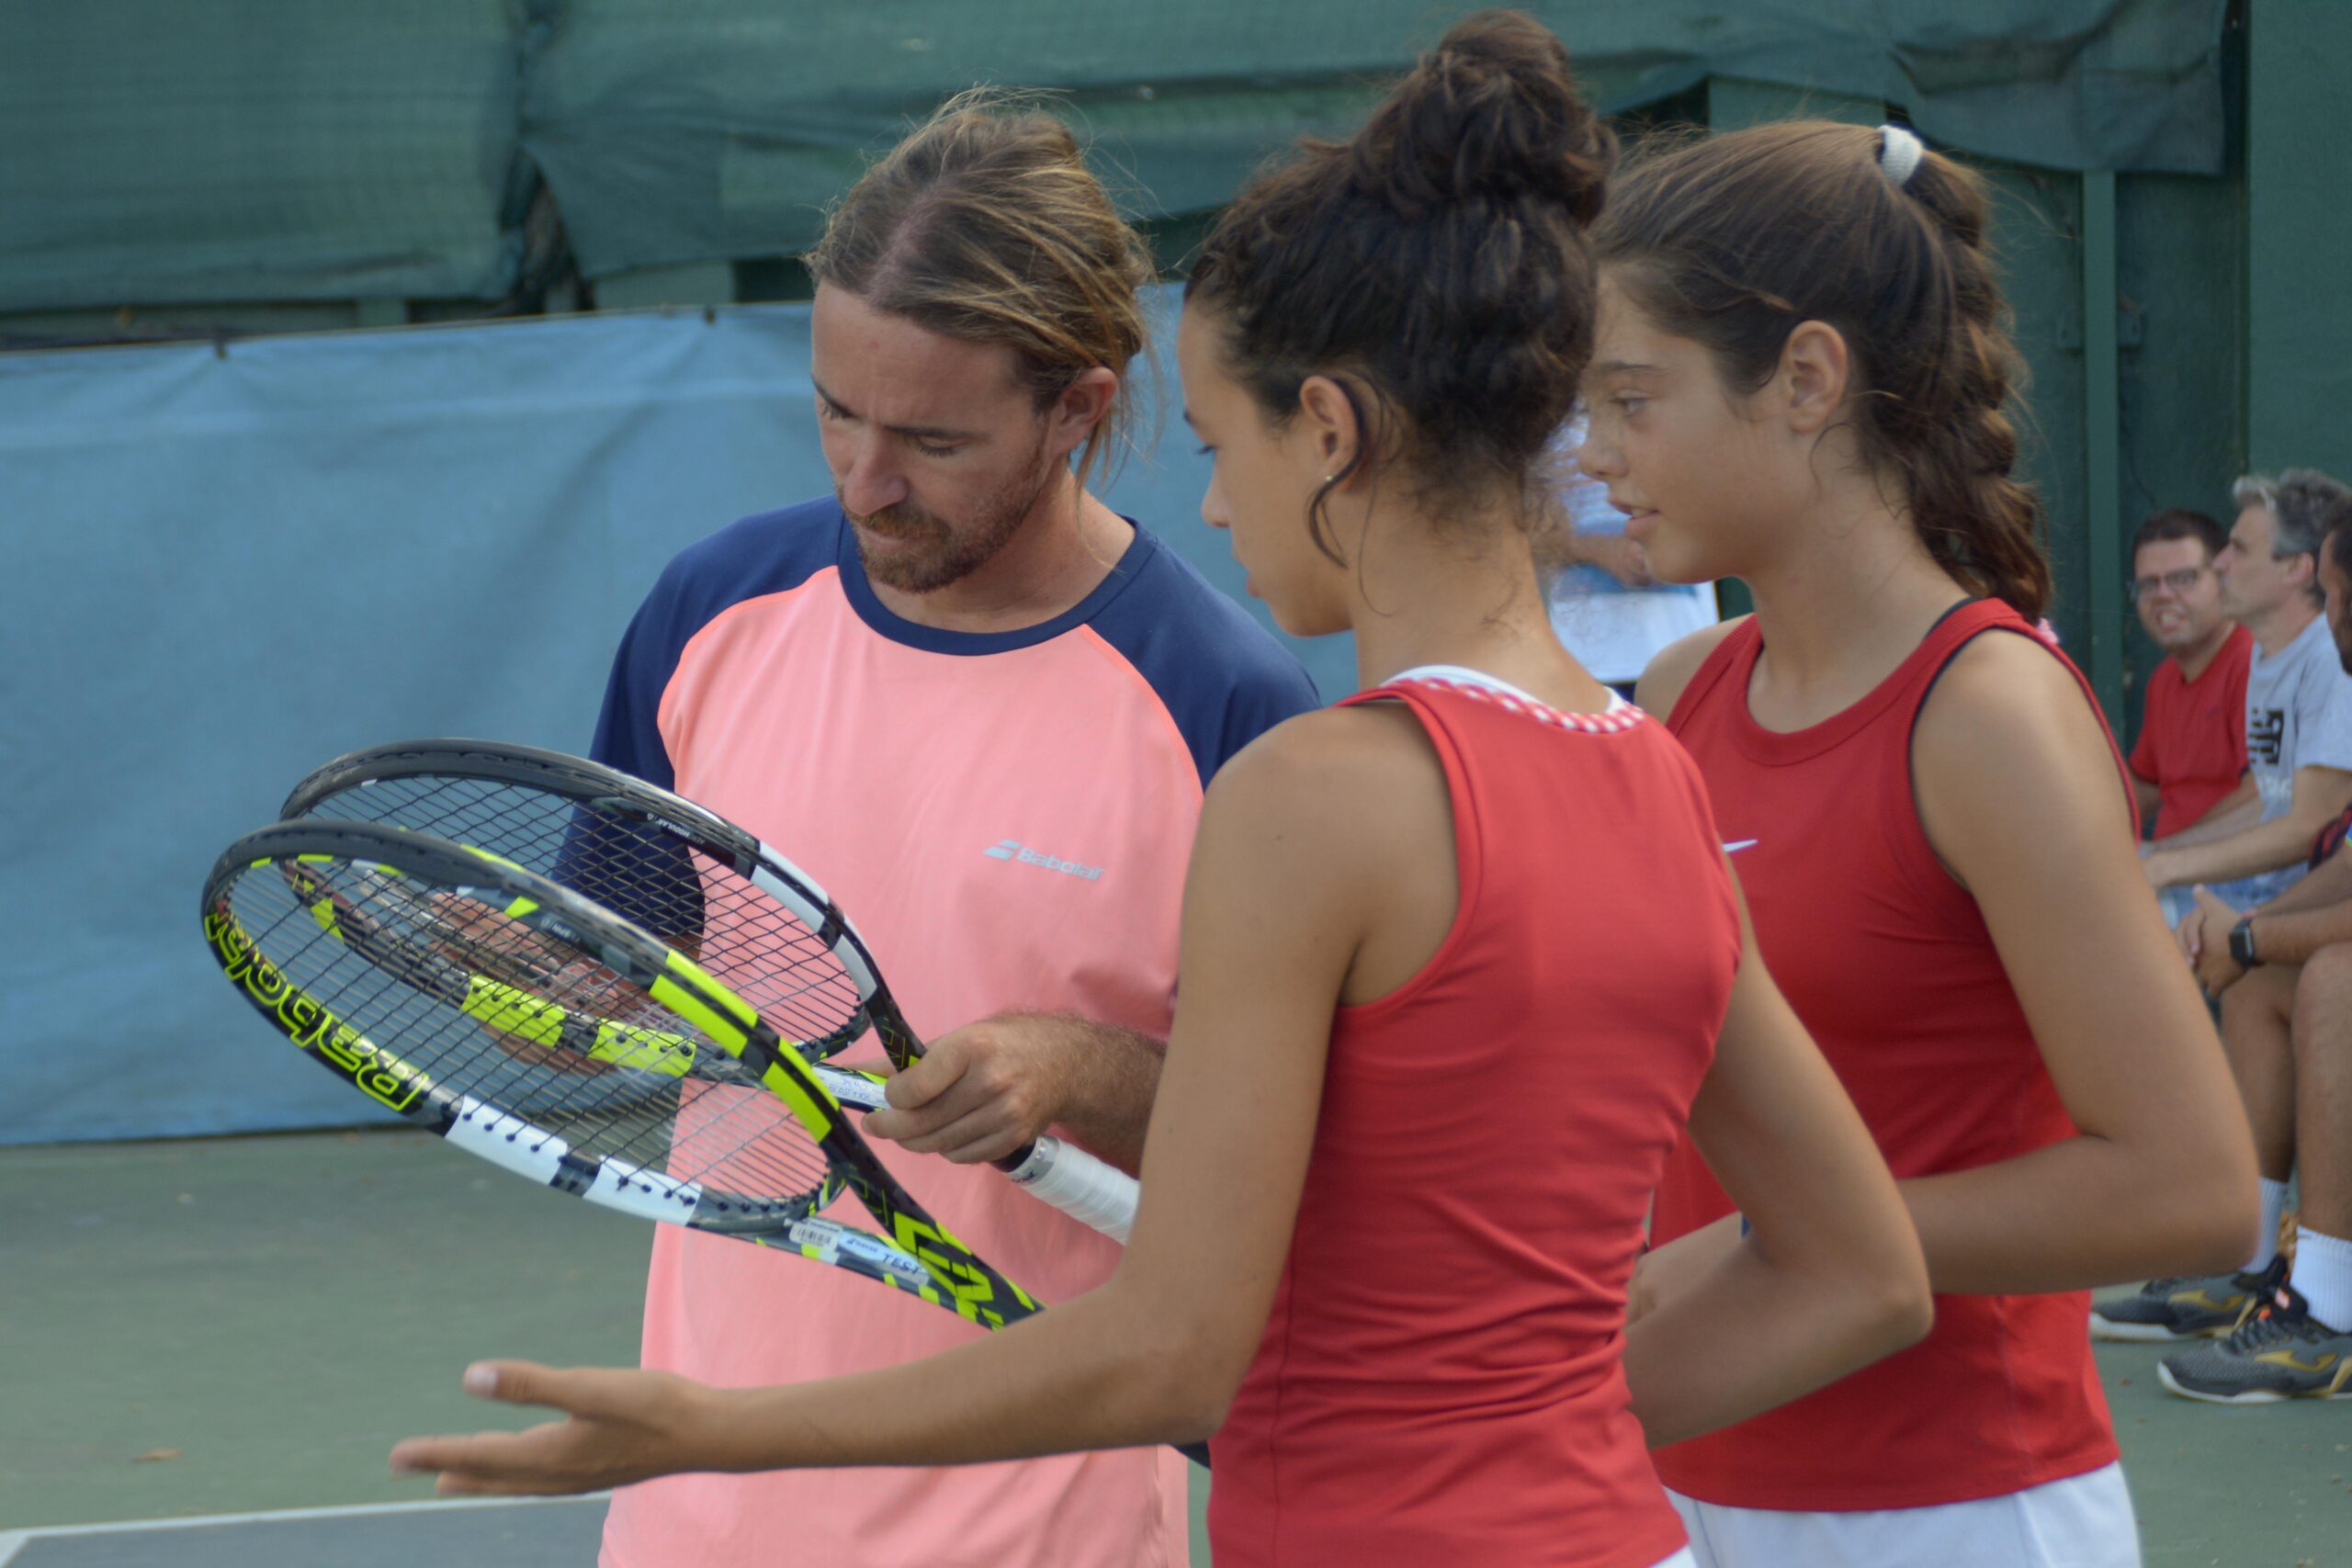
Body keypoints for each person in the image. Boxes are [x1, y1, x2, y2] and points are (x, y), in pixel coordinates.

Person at [389, 17, 1934, 1567]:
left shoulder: (1306, 786)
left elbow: (1177, 1353)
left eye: (1216, 441)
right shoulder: (1657, 768)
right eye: (840, 414)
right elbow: (1863, 1269)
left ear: (1325, 429)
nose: (1209, 499)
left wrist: (714, 1428)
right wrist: (1522, 1426)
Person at [576, 94, 1321, 1568]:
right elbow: (601, 992)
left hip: (1042, 1528)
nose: (867, 480)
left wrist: (1077, 1067)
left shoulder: (1226, 704)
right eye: (836, 412)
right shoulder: (707, 612)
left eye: (930, 438)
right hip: (699, 1519)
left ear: (1078, 408)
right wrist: (528, 985)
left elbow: (1305, 1150)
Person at [1580, 119, 2258, 1566]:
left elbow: (2192, 1186)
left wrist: (1797, 1236)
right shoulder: (1679, 691)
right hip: (1679, 1491)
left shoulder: (1988, 713)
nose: (1597, 455)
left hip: (1957, 1510)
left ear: (1806, 380)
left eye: (1633, 399)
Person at [2106, 502, 2352, 1395]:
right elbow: (2338, 850)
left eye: (2337, 595)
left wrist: (2246, 930)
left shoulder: (2313, 663)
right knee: (2260, 984)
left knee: (2330, 978)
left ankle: (2329, 1310)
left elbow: (2309, 825)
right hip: (2268, 900)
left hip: (2297, 925)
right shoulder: (2289, 662)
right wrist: (2249, 941)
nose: (2328, 615)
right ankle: (2246, 1261)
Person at [2141, 471, 2352, 921]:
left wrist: (2164, 868)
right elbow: (2274, 799)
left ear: (2296, 569)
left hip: (2311, 908)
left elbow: (2312, 824)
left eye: (2238, 548)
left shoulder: (2330, 659)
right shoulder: (2267, 649)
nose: (2220, 563)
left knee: (2128, 920)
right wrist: (2158, 853)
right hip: (2257, 891)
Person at [1544, 412, 1720, 698]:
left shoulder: (1679, 403)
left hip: (1685, 652)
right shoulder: (1544, 415)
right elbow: (1525, 531)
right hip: (1583, 661)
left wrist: (1663, 550)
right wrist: (1599, 550)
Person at [2125, 507, 2253, 845]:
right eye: (2149, 584)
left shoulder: (2251, 662)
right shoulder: (2164, 679)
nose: (2163, 595)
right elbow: (2142, 790)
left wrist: (2167, 857)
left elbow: (2264, 797)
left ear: (2223, 579)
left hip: (2231, 870)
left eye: (2183, 579)